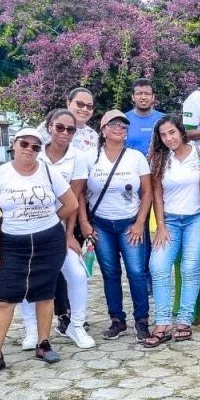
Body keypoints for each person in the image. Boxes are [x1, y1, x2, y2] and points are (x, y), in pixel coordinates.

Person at [0, 128, 79, 377]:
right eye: (24, 144)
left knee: (45, 294)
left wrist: (52, 219)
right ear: (14, 144)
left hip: (48, 241)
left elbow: (71, 203)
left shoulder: (48, 171)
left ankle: (43, 344)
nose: (29, 150)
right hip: (13, 241)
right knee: (5, 298)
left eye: (35, 147)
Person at [19, 109, 94, 349]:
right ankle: (32, 330)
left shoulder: (78, 157)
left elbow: (74, 197)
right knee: (29, 278)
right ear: (49, 126)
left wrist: (69, 235)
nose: (64, 133)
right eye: (59, 127)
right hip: (29, 227)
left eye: (70, 129)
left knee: (78, 274)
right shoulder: (35, 153)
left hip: (60, 227)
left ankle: (77, 325)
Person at [80, 110, 153, 344]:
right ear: (103, 130)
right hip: (101, 224)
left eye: (123, 125)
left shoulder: (135, 157)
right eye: (114, 124)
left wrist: (140, 223)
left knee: (137, 273)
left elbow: (148, 191)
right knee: (110, 273)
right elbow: (80, 193)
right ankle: (117, 319)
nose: (119, 128)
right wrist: (84, 222)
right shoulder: (90, 158)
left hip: (130, 223)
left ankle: (142, 320)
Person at [147, 115, 200, 345]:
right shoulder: (160, 158)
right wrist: (160, 225)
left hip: (197, 218)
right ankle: (162, 321)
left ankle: (184, 320)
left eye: (172, 132)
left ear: (181, 131)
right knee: (158, 266)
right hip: (170, 220)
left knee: (190, 267)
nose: (168, 138)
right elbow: (157, 194)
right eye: (163, 135)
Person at [39, 88, 99, 154]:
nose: (85, 109)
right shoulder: (49, 127)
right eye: (80, 104)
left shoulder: (94, 136)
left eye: (89, 106)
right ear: (68, 103)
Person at [125, 78, 165, 154]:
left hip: (158, 165)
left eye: (147, 94)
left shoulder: (164, 119)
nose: (143, 97)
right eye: (139, 93)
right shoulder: (124, 119)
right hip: (132, 165)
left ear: (153, 97)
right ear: (133, 97)